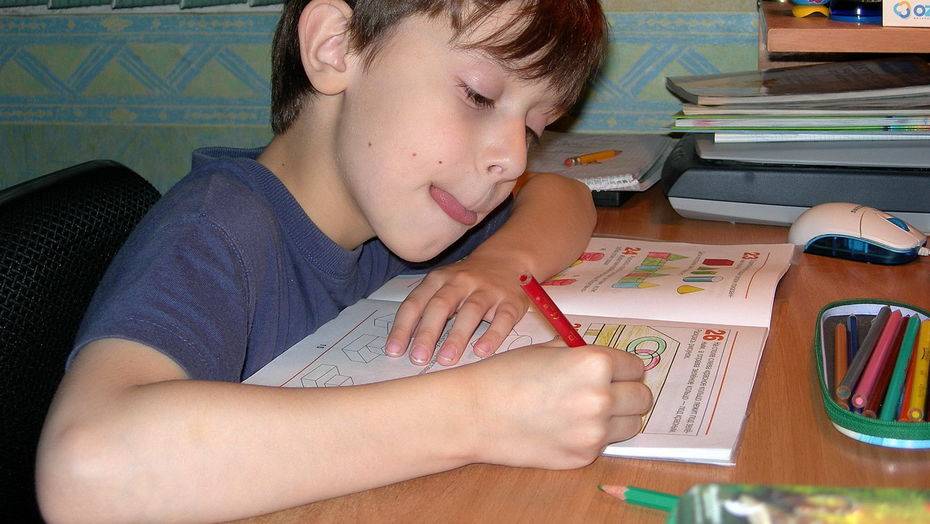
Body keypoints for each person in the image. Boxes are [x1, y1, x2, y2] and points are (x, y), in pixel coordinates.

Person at [36, 0, 652, 521]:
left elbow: (563, 195)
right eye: (478, 94)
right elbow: (87, 469)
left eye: (534, 129)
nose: (513, 160)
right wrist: (480, 416)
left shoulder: (397, 206)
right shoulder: (215, 230)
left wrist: (501, 262)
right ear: (336, 46)